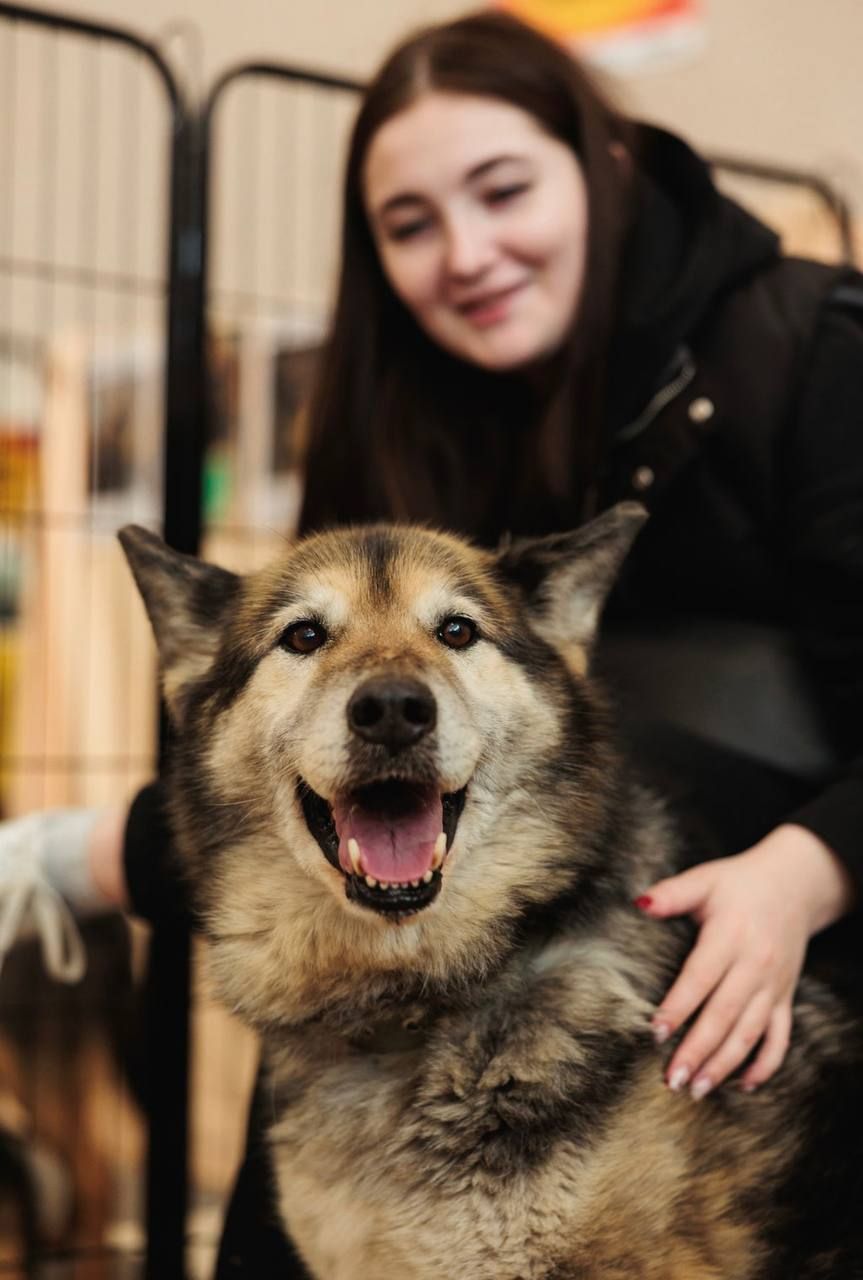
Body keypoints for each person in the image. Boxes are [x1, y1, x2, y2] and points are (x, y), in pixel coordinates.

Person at [1, 10, 861, 1275]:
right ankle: (62, 858)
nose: (465, 251)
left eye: (502, 188)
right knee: (317, 922)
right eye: (409, 224)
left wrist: (806, 868)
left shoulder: (807, 345)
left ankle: (59, 860)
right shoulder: (402, 413)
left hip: (795, 873)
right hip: (540, 874)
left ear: (603, 163)